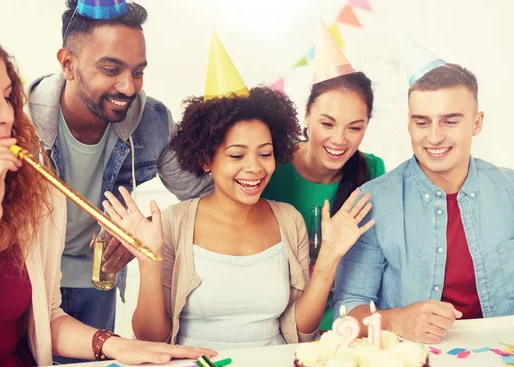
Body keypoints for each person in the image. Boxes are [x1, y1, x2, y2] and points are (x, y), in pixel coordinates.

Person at [0, 1, 214, 367]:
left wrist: (114, 344)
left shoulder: (34, 189)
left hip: (79, 299)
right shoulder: (31, 131)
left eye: (7, 96)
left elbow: (45, 318)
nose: (8, 115)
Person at [103, 34, 374, 350]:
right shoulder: (173, 223)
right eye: (236, 155)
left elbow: (302, 332)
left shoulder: (289, 220)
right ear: (206, 159)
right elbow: (151, 339)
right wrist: (149, 261)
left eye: (264, 152)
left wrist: (328, 258)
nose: (254, 168)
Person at [26, 0, 213, 344]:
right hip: (28, 281)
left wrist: (142, 235)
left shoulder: (152, 121)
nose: (129, 87)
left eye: (138, 71)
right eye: (111, 70)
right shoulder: (19, 120)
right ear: (68, 64)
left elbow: (203, 195)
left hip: (97, 285)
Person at [332, 35, 514, 344]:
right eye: (422, 122)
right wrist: (396, 319)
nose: (434, 137)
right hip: (412, 363)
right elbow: (346, 309)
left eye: (450, 121)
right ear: (409, 124)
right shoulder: (372, 201)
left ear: (477, 123)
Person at [262, 20, 385, 331]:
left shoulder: (373, 171)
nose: (340, 140)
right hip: (278, 322)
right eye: (328, 124)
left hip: (347, 321)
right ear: (306, 114)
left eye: (354, 127)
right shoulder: (268, 167)